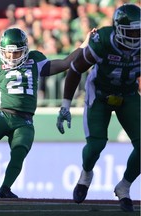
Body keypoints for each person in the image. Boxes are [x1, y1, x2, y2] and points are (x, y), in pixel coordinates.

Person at [0, 27, 91, 198]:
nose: (11, 57)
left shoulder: (35, 60)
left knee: (19, 152)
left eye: (16, 53)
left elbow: (65, 63)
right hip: (1, 115)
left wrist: (86, 43)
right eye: (7, 53)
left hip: (24, 120)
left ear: (25, 50)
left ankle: (5, 189)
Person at [56, 4, 140, 212]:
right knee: (95, 145)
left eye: (140, 31)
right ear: (119, 30)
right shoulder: (103, 40)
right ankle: (86, 175)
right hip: (100, 93)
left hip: (128, 93)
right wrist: (65, 105)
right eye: (132, 32)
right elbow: (75, 69)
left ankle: (124, 187)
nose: (137, 36)